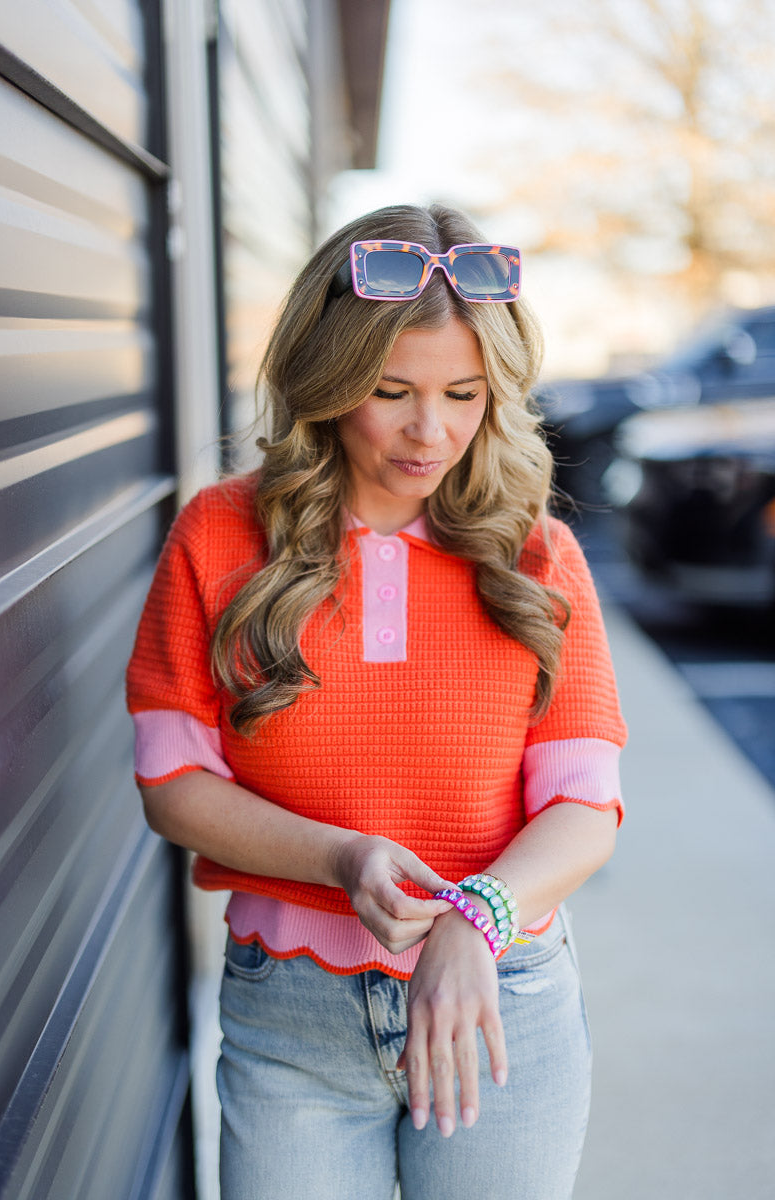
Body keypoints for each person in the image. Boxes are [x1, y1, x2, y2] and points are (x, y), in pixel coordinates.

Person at [126, 203, 626, 1200]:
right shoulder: (219, 538)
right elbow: (174, 783)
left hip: (500, 1003)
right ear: (325, 382)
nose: (427, 430)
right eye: (389, 390)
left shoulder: (536, 557)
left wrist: (473, 919)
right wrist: (340, 857)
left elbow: (583, 810)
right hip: (293, 1015)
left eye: (462, 394)